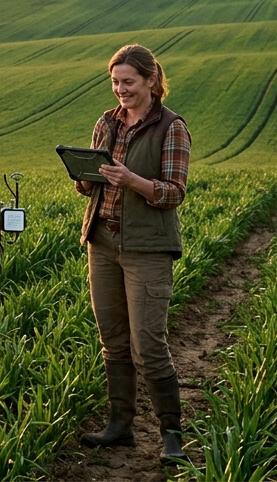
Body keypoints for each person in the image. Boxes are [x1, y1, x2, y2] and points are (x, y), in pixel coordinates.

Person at [74, 44, 191, 462]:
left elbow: (173, 193)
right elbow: (90, 185)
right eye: (115, 82)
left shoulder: (171, 127)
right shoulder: (106, 123)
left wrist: (131, 180)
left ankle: (171, 433)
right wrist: (85, 177)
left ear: (151, 81)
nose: (120, 90)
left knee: (149, 344)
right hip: (102, 243)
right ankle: (119, 426)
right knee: (114, 342)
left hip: (147, 249)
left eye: (128, 82)